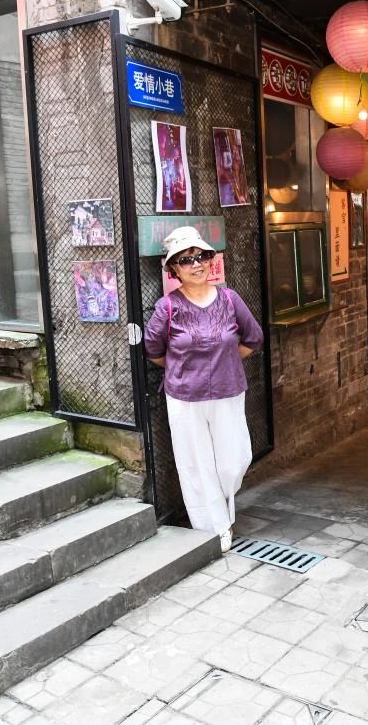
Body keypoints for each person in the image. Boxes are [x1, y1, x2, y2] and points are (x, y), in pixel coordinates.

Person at [144, 226, 264, 553]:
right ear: (174, 269)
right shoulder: (167, 307)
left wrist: (225, 361)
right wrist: (185, 369)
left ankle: (221, 509)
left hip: (229, 389)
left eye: (200, 256)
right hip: (185, 396)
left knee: (233, 460)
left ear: (211, 260)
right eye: (185, 260)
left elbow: (253, 338)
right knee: (196, 464)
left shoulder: (230, 299)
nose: (195, 264)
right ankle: (215, 526)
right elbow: (154, 351)